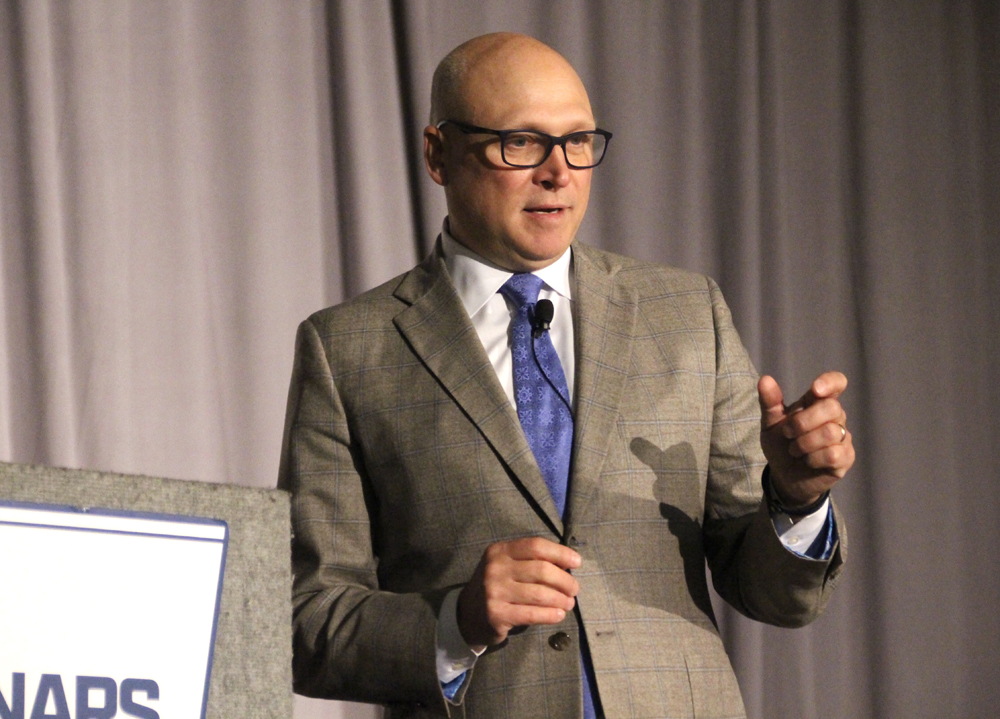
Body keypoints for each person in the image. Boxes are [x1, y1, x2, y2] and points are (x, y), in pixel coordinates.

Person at [278, 32, 854, 719]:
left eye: (578, 141)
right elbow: (304, 620)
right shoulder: (347, 348)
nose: (559, 171)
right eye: (520, 142)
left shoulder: (685, 312)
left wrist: (793, 500)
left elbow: (776, 593)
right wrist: (453, 622)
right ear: (439, 154)